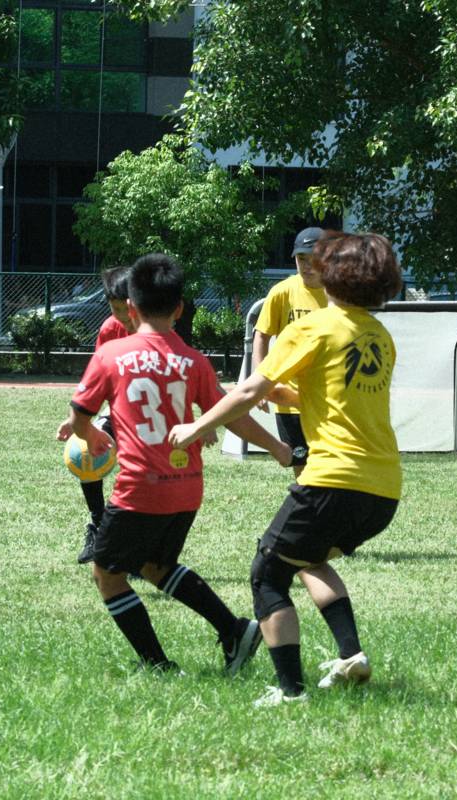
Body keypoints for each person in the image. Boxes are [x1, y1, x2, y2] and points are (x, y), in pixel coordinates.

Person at [168, 231, 403, 707]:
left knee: (267, 574)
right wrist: (291, 395)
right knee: (307, 557)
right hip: (382, 489)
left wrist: (195, 428)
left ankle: (289, 691)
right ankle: (350, 655)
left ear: (334, 274)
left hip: (332, 479)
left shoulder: (314, 326)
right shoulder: (379, 335)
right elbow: (340, 397)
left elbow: (248, 391)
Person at [60, 253, 293, 675]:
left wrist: (86, 433)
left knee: (107, 575)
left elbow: (80, 416)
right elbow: (231, 414)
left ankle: (157, 665)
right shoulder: (195, 361)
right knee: (155, 566)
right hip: (186, 487)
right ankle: (235, 630)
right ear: (180, 309)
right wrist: (277, 447)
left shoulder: (111, 354)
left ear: (130, 308)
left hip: (139, 488)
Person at [61, 265, 136, 565]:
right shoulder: (110, 329)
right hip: (118, 409)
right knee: (85, 450)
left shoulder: (158, 325)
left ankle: (136, 547)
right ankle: (98, 525)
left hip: (148, 416)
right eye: (113, 308)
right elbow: (98, 376)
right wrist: (80, 418)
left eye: (124, 308)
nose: (119, 315)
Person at [251, 226, 328, 477]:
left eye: (313, 259)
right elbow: (261, 334)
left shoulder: (339, 294)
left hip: (329, 399)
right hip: (289, 401)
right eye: (301, 259)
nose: (306, 266)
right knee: (302, 471)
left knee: (330, 469)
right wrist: (258, 381)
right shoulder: (282, 292)